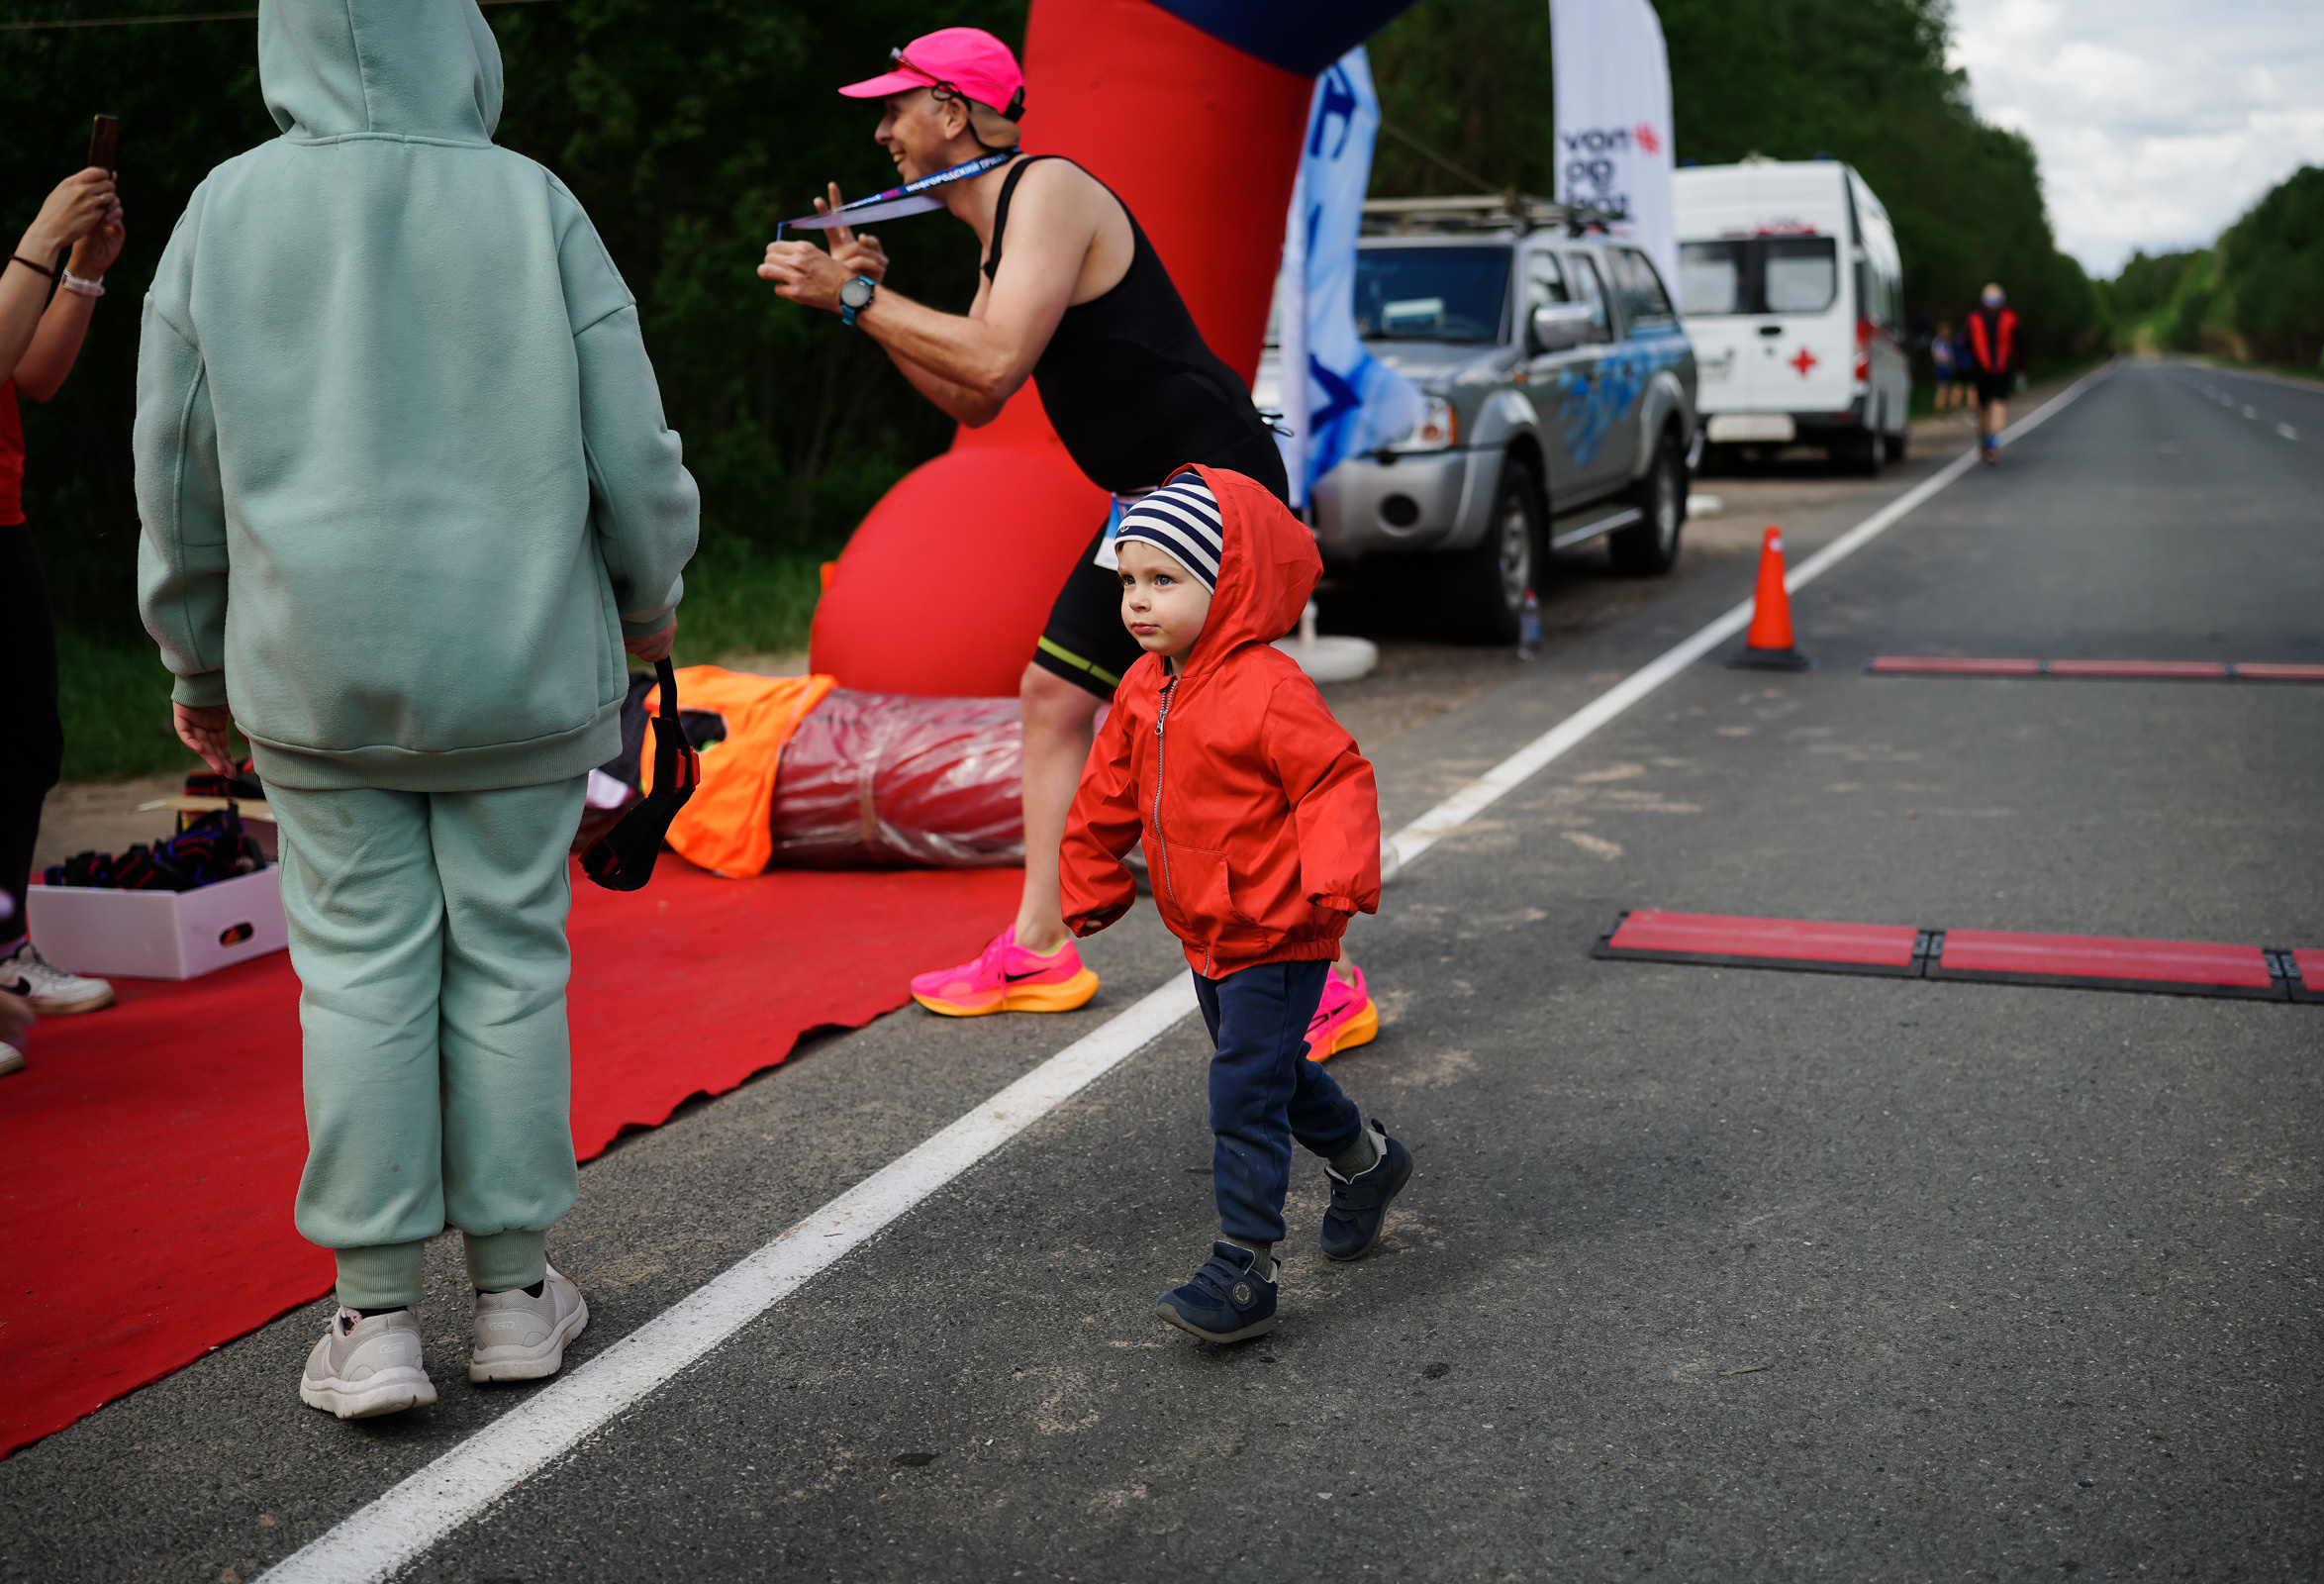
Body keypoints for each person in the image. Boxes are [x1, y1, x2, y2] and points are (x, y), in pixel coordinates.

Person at [137, 0, 699, 1421]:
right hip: (517, 664)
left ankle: (372, 1319)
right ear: (460, 38)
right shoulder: (533, 202)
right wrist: (650, 597)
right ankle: (515, 1297)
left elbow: (178, 464)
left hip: (312, 675)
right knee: (509, 957)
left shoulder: (223, 208)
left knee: (358, 973)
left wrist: (195, 660)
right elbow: (627, 439)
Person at [758, 28, 1375, 1057]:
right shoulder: (1000, 236)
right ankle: (1042, 942)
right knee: (1052, 695)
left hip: (1213, 485)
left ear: (953, 111)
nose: (882, 133)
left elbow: (993, 354)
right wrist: (862, 311)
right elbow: (978, 392)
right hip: (1150, 499)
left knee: (1228, 735)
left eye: (894, 109)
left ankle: (1328, 977)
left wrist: (859, 295)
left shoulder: (1047, 189)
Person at [1061, 468, 1411, 1343]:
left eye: (1163, 580)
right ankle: (1367, 1164)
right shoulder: (1146, 687)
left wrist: (1333, 880)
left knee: (1241, 1091)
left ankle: (1245, 1266)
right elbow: (1105, 788)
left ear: (1229, 586)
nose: (1138, 602)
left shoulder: (1268, 685)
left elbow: (1333, 778)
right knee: (1271, 1076)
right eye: (1129, 581)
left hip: (1280, 928)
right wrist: (1090, 868)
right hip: (1207, 930)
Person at [1, 162, 127, 1029]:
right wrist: (42, 238)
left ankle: (6, 954)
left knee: (22, 747)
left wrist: (82, 268)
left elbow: (29, 375)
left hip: (2, 521)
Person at [1967, 283, 2024, 462]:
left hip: (1979, 369)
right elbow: (2021, 348)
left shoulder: (1974, 319)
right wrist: (2022, 371)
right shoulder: (2011, 319)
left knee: (1982, 406)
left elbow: (1965, 346)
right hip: (2002, 369)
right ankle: (1992, 441)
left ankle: (1984, 442)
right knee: (1999, 404)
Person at [1928, 320, 1961, 417]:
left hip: (1949, 368)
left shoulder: (1948, 341)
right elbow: (1941, 356)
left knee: (1951, 389)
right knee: (1942, 390)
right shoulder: (1939, 342)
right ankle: (1939, 410)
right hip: (1943, 368)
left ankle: (1951, 408)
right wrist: (1951, 361)